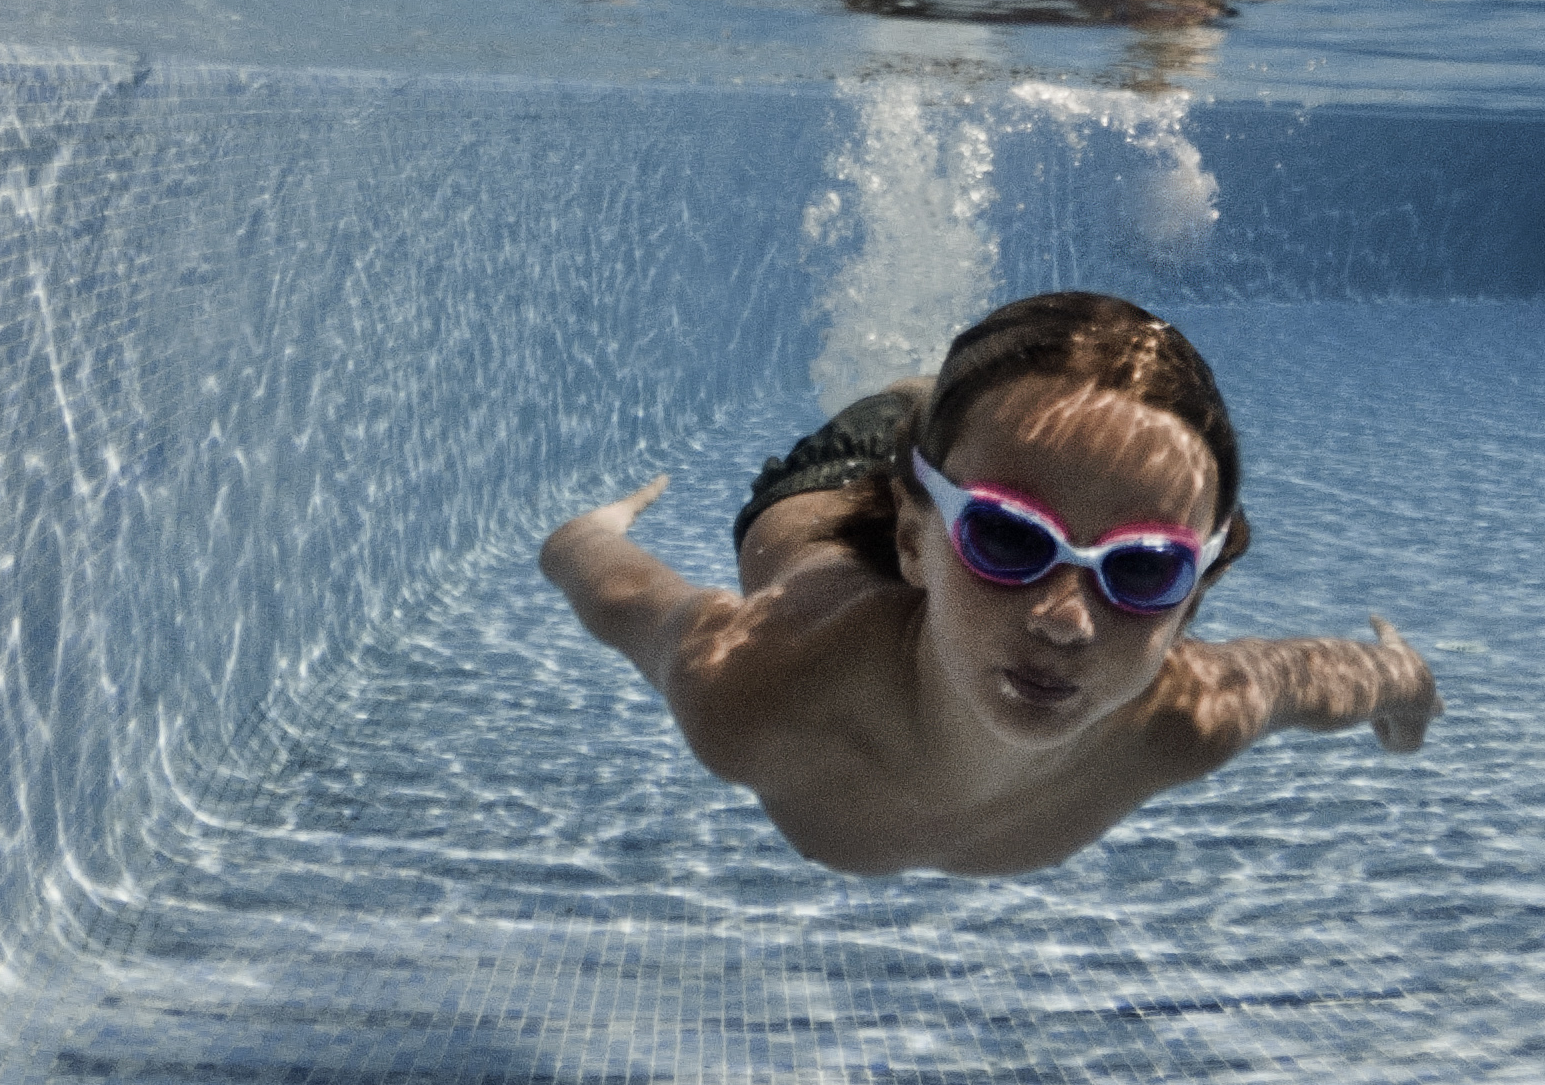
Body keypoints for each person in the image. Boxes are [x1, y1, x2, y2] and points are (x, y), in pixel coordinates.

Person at [539, 286, 1438, 880]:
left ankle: (973, 437)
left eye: (1142, 568)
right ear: (913, 538)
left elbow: (1315, 682)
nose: (1065, 622)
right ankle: (934, 410)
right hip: (838, 483)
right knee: (918, 404)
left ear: (1194, 595)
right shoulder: (757, 692)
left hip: (956, 474)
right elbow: (620, 596)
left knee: (989, 427)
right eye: (1010, 542)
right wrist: (587, 532)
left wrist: (1407, 693)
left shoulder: (1186, 723)